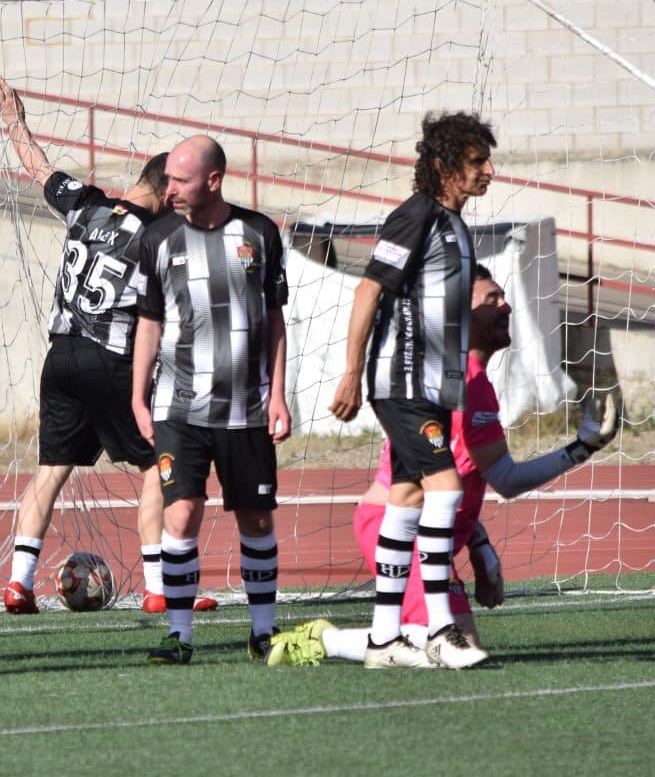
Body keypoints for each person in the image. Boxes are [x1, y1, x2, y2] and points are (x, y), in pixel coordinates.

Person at [268, 265, 619, 667]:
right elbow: (503, 479)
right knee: (445, 647)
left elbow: (457, 478)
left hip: (423, 531)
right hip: (399, 525)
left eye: (504, 297)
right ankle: (323, 639)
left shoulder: (460, 378)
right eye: (492, 299)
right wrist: (580, 449)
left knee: (453, 646)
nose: (506, 306)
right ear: (458, 313)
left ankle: (371, 637)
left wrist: (481, 548)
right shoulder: (464, 385)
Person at [0, 78, 216, 615]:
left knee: (50, 471)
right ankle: (160, 589)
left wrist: (14, 123)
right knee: (154, 468)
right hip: (111, 362)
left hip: (60, 357)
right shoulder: (159, 238)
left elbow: (39, 169)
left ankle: (18, 583)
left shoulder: (85, 205)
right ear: (166, 191)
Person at [328, 111, 497, 670]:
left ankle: (382, 639)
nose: (488, 172)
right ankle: (442, 630)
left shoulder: (455, 224)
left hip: (430, 387)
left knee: (408, 499)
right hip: (399, 382)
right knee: (445, 489)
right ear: (446, 165)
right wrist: (352, 373)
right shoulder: (417, 215)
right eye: (477, 161)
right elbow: (368, 291)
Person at [132, 135, 291, 664]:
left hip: (246, 407)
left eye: (179, 180)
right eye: (169, 180)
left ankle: (262, 631)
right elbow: (149, 324)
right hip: (177, 406)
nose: (169, 188)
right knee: (180, 514)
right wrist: (138, 397)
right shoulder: (156, 238)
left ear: (213, 181)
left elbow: (274, 320)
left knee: (257, 519)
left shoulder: (260, 234)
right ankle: (179, 635)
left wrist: (279, 395)